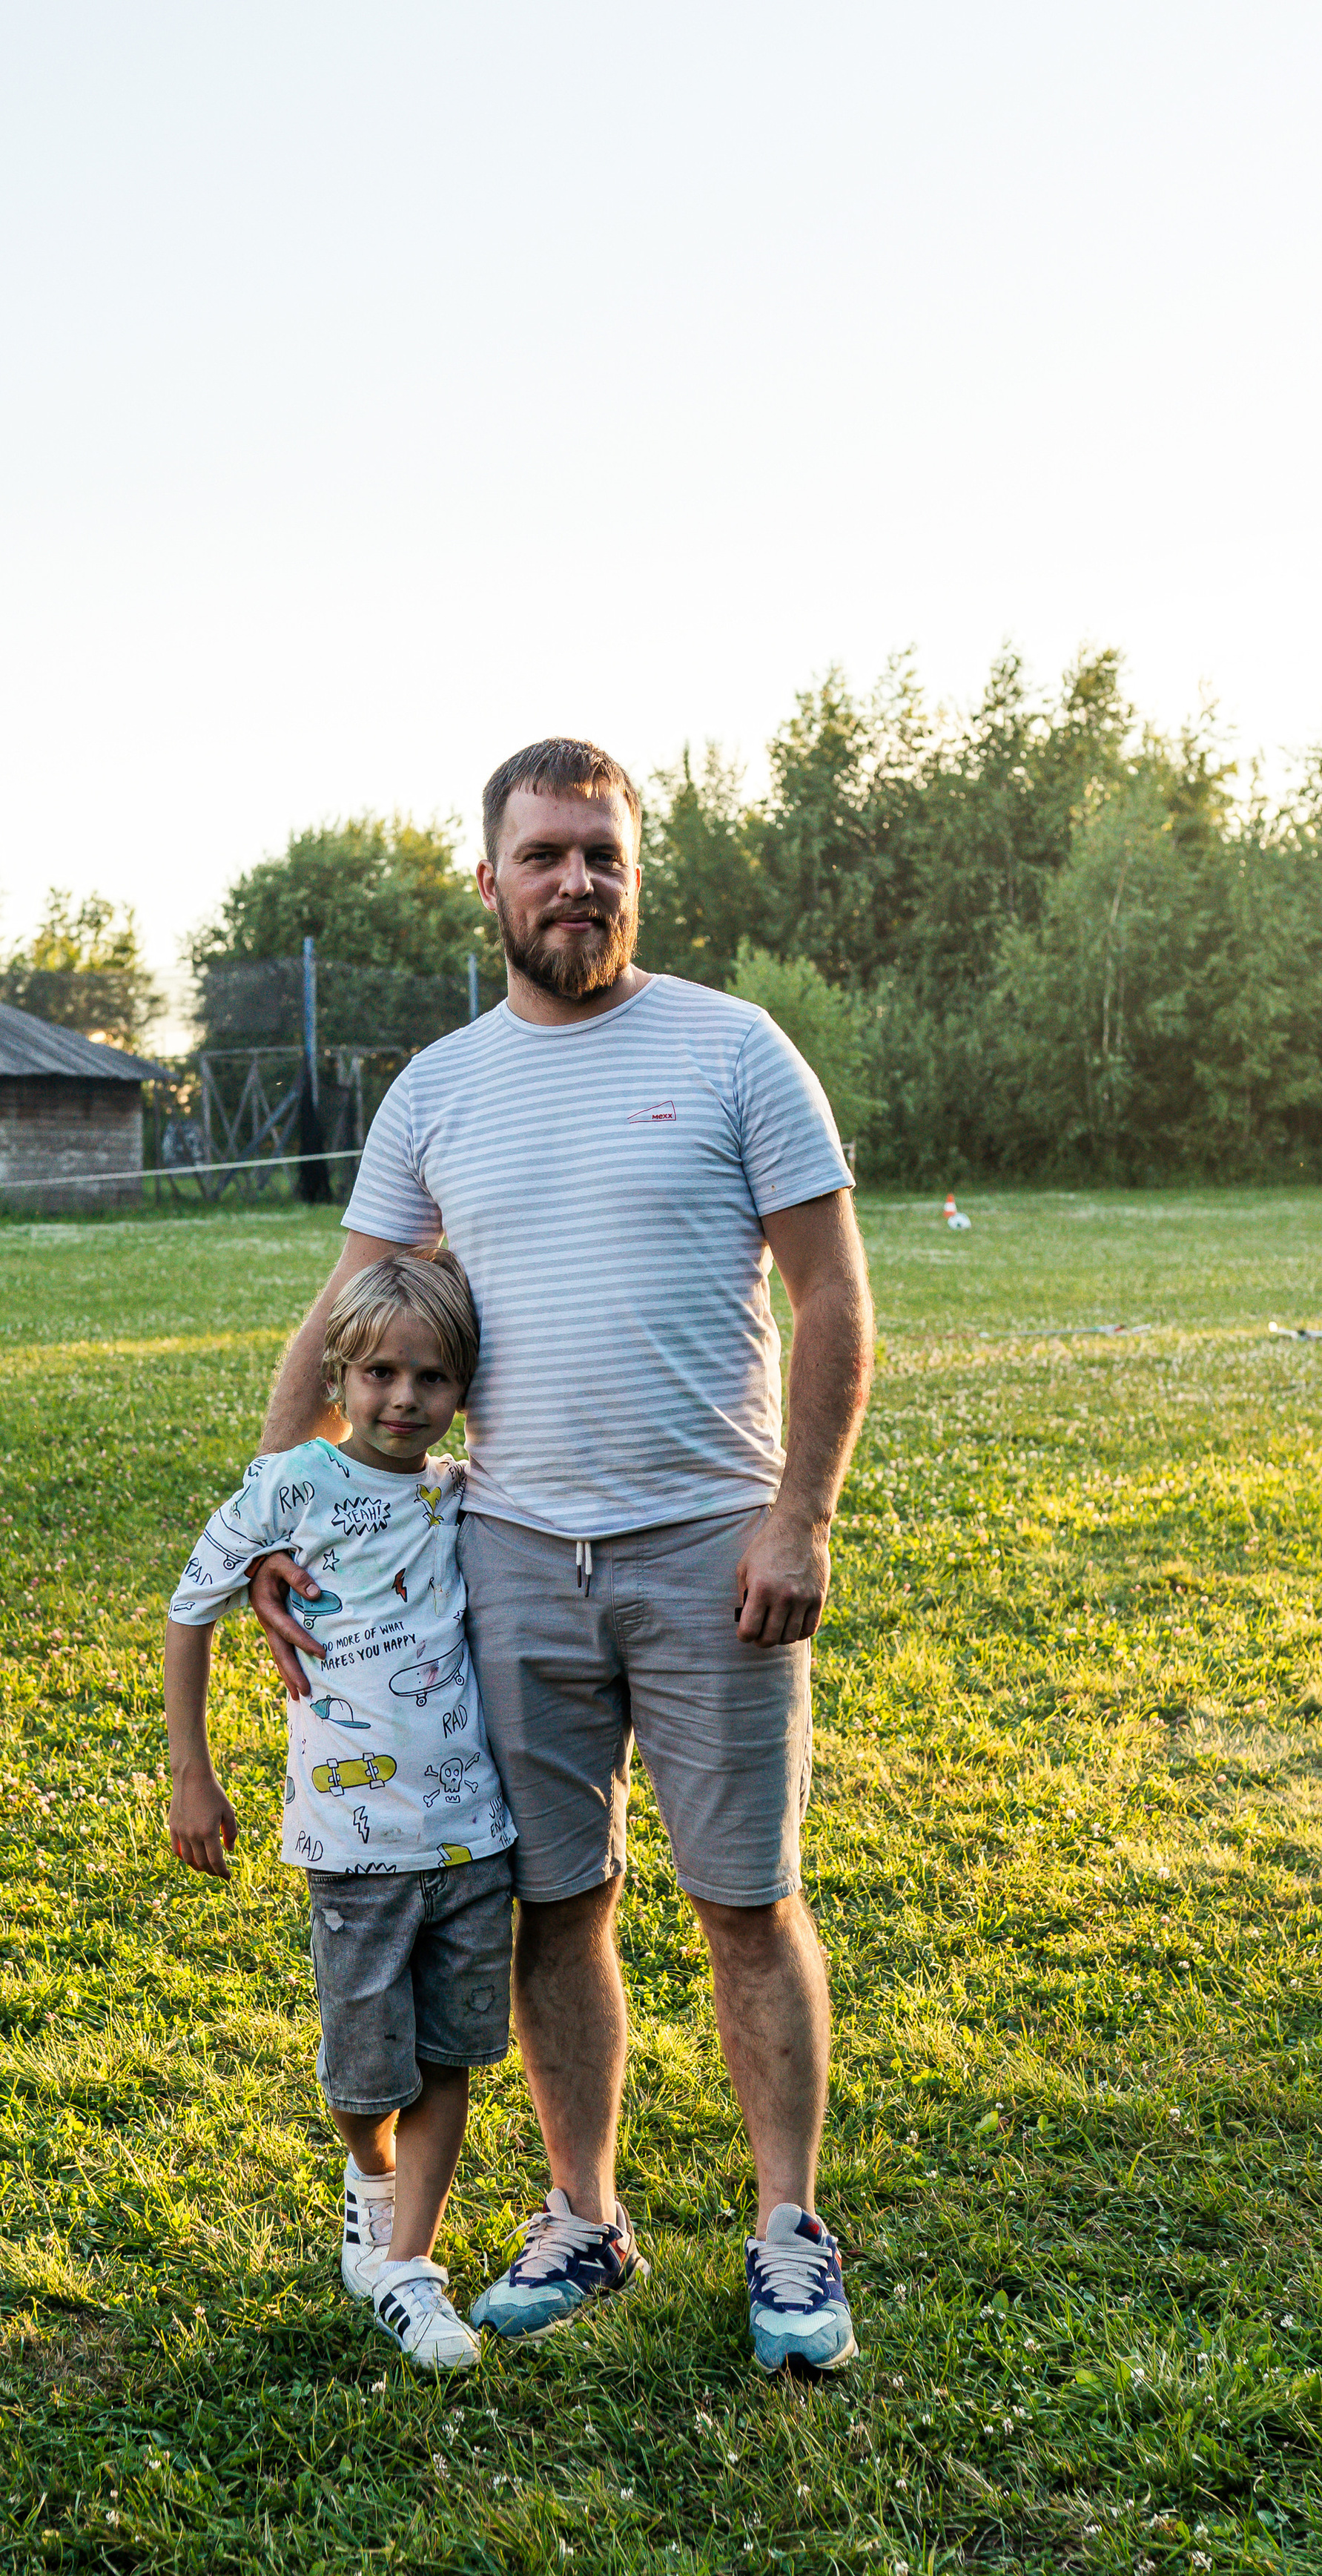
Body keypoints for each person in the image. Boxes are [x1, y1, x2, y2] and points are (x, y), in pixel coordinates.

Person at [246, 738, 874, 2374]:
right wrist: (273, 1510)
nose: (574, 881)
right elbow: (346, 1309)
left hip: (709, 1550)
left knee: (744, 1899)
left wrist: (799, 1514)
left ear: (630, 870)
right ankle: (581, 2216)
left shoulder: (733, 1050)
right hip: (510, 1556)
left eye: (599, 853)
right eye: (543, 855)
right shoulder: (439, 1087)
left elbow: (830, 1299)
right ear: (488, 882)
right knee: (549, 1902)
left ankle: (786, 2234)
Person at [164, 1252, 515, 2372]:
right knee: (367, 2073)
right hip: (352, 1846)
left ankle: (411, 2265)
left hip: (471, 1834)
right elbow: (189, 1616)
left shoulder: (464, 1495)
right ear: (339, 1371)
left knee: (452, 2050)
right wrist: (192, 1773)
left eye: (430, 1378)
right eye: (376, 1373)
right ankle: (369, 2181)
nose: (403, 1399)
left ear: (463, 1389)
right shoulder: (286, 1491)